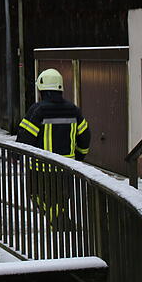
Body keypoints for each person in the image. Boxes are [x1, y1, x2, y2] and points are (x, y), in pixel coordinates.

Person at [16, 69, 90, 229]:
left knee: (36, 195)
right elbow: (85, 137)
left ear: (42, 90)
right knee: (61, 199)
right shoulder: (74, 110)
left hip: (40, 168)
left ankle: (58, 223)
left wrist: (17, 156)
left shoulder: (37, 110)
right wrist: (79, 157)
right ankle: (60, 225)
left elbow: (24, 138)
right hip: (66, 167)